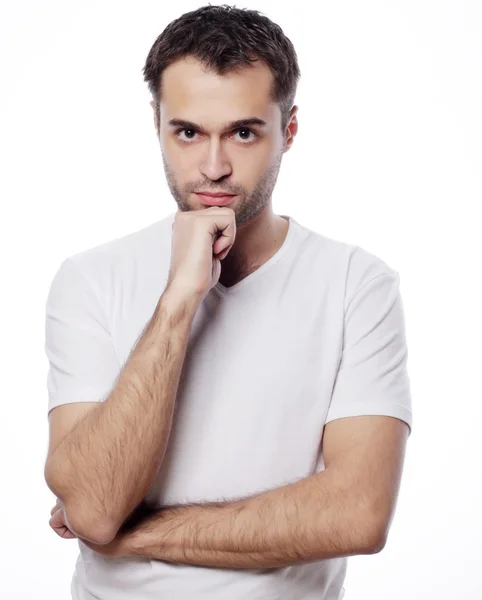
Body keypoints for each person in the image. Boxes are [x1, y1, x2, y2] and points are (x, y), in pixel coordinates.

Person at [44, 4, 413, 600]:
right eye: (187, 132)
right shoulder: (89, 280)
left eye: (243, 132)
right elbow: (92, 502)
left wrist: (132, 536)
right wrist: (179, 300)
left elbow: (359, 513)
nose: (213, 168)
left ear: (288, 130)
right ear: (157, 125)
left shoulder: (356, 284)